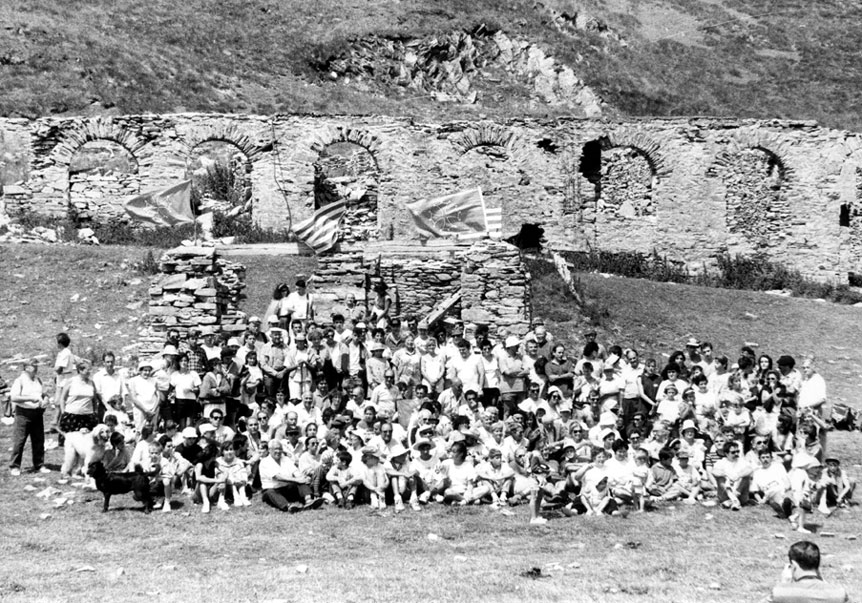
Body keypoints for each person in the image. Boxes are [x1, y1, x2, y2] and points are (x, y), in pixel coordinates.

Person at [769, 541, 848, 603]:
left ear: (793, 565)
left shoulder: (780, 593)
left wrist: (784, 584)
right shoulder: (839, 594)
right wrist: (825, 584)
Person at [8, 361, 50, 476]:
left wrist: (46, 399)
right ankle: (14, 466)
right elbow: (14, 397)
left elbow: (45, 393)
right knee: (19, 440)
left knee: (38, 440)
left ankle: (39, 464)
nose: (36, 368)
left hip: (37, 413)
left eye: (37, 366)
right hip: (23, 413)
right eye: (33, 366)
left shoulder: (38, 380)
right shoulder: (20, 380)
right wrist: (30, 398)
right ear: (26, 368)